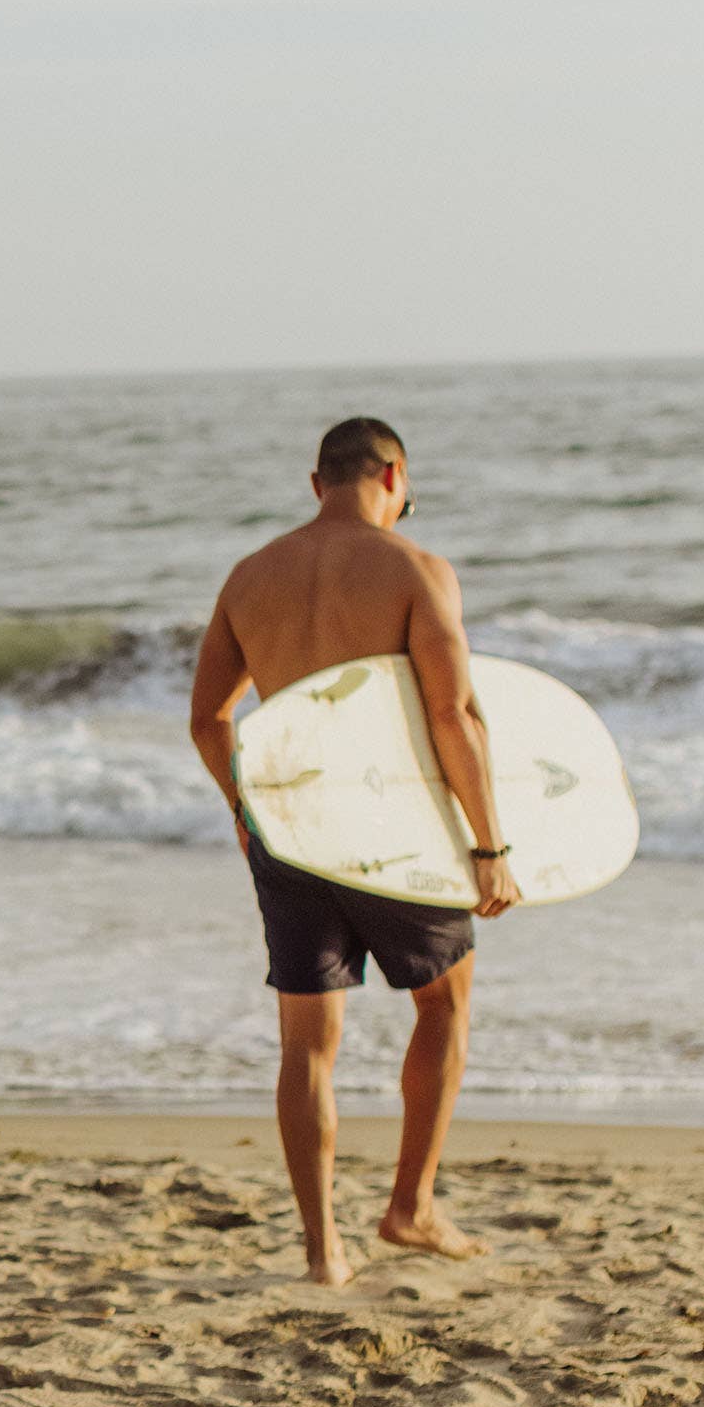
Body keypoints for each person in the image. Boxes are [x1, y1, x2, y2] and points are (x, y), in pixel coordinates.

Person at [187, 417, 520, 1287]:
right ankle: (410, 1206)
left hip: (290, 829)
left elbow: (210, 718)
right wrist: (489, 847)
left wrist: (243, 802)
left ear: (316, 482)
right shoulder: (416, 569)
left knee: (308, 1042)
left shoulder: (249, 576)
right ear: (394, 475)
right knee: (443, 1010)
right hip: (391, 831)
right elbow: (453, 716)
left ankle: (322, 1250)